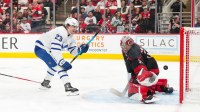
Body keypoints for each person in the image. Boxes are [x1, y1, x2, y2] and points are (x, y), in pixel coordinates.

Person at [34, 17, 89, 96]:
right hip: (41, 48)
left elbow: (73, 52)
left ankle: (45, 83)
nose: (75, 28)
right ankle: (68, 88)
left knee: (54, 65)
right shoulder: (61, 32)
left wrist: (81, 50)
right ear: (67, 26)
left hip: (47, 50)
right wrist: (61, 61)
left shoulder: (71, 37)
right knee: (60, 66)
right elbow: (55, 48)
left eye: (76, 27)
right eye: (73, 26)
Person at [120, 36, 173, 104]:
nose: (123, 47)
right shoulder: (130, 48)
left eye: (125, 46)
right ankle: (161, 86)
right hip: (153, 68)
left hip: (149, 71)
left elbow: (138, 66)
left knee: (138, 79)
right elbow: (129, 65)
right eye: (122, 46)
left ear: (129, 44)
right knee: (139, 77)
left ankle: (145, 94)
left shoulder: (133, 51)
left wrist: (135, 77)